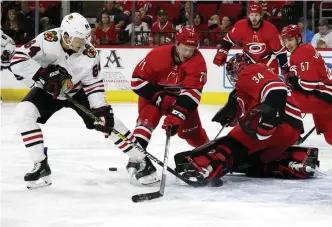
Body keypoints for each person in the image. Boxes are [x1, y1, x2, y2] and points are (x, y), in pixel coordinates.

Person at [10, 13, 157, 189]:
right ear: (65, 36)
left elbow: (94, 84)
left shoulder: (90, 53)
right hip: (49, 90)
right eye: (80, 39)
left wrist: (101, 109)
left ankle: (142, 160)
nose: (85, 43)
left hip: (77, 91)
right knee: (24, 112)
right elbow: (17, 59)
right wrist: (42, 74)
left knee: (108, 122)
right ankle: (40, 165)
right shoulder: (47, 39)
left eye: (86, 38)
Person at [173, 53, 319, 185]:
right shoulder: (261, 77)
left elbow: (276, 91)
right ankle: (296, 161)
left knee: (232, 143)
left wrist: (269, 120)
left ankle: (202, 166)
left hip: (276, 123)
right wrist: (232, 114)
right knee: (250, 164)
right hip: (291, 131)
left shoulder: (250, 71)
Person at [129, 26, 209, 180]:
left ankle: (211, 153)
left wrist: (177, 115)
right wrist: (160, 98)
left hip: (180, 100)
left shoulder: (198, 63)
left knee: (192, 134)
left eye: (192, 49)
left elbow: (192, 94)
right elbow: (136, 81)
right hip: (153, 96)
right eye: (185, 49)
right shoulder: (157, 55)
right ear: (177, 44)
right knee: (146, 120)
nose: (188, 54)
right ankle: (136, 157)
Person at [281, 25, 332, 145]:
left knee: (284, 100)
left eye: (290, 39)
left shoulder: (302, 52)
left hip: (322, 98)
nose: (288, 44)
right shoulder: (302, 50)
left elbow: (309, 85)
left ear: (299, 38)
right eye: (285, 41)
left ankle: (291, 134)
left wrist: (294, 82)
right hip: (325, 100)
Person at [213, 4, 288, 75]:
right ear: (248, 15)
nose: (254, 18)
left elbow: (280, 51)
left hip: (267, 60)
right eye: (252, 15)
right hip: (248, 61)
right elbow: (228, 40)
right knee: (245, 85)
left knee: (271, 84)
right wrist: (222, 52)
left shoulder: (270, 29)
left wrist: (285, 70)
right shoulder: (241, 25)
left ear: (261, 15)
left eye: (256, 15)